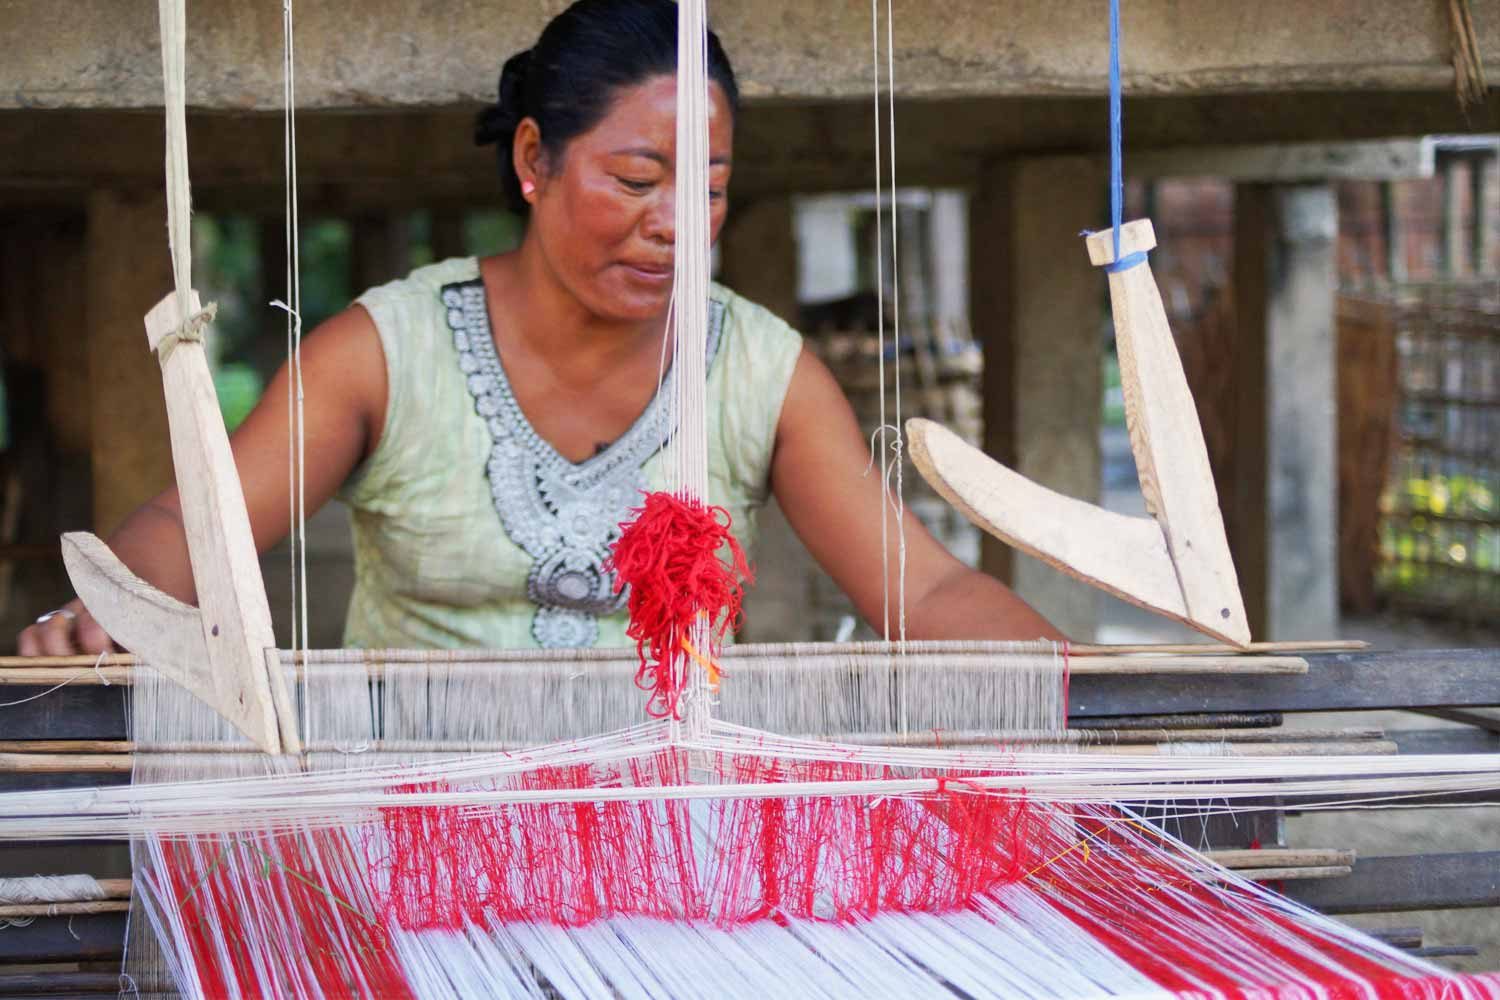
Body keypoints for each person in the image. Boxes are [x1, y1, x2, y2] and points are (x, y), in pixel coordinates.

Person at [19, 0, 1059, 658]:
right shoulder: (386, 354)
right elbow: (189, 531)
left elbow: (921, 584)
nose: (673, 224)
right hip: (403, 855)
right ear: (533, 159)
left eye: (708, 189)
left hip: (668, 862)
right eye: (638, 180)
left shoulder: (759, 371)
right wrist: (120, 603)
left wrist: (1104, 694)